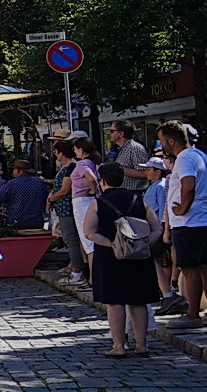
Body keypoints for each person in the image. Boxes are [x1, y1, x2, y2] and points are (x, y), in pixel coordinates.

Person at [81, 162, 161, 356]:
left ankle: (119, 345)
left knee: (114, 301)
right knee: (138, 300)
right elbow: (157, 228)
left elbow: (89, 233)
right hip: (139, 256)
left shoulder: (98, 203)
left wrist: (113, 244)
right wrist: (141, 244)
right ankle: (141, 344)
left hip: (110, 258)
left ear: (103, 181)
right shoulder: (139, 200)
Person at [161, 121, 207, 329]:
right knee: (205, 265)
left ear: (171, 140)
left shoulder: (184, 158)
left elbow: (188, 185)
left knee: (189, 268)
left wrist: (184, 207)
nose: (161, 145)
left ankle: (193, 314)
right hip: (206, 220)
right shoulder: (201, 155)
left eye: (162, 140)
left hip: (188, 223)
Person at [139, 156, 182, 315]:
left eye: (149, 169)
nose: (146, 172)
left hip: (159, 226)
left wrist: (165, 229)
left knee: (162, 260)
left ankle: (167, 289)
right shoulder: (152, 186)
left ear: (158, 171)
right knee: (156, 259)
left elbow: (164, 208)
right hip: (151, 227)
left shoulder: (161, 186)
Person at [47, 140, 84, 286]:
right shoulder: (65, 167)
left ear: (62, 153)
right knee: (70, 238)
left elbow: (64, 190)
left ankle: (77, 269)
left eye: (56, 152)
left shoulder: (71, 168)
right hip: (63, 207)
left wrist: (51, 199)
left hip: (66, 207)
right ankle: (73, 264)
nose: (55, 155)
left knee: (71, 238)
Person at [68, 137, 104, 281]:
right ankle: (93, 276)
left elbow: (91, 178)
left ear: (81, 149)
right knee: (90, 238)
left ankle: (93, 279)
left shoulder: (82, 164)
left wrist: (92, 189)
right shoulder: (94, 162)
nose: (75, 152)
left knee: (87, 239)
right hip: (89, 200)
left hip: (82, 201)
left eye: (76, 149)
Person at [0, 159, 50, 231]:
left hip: (15, 222)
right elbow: (46, 201)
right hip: (36, 221)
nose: (13, 172)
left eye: (14, 169)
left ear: (19, 171)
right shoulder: (40, 183)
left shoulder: (11, 184)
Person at [109, 121, 150, 191]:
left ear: (121, 134)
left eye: (112, 131)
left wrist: (119, 169)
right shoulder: (123, 148)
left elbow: (145, 173)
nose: (109, 133)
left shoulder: (135, 148)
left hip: (134, 193)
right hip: (125, 193)